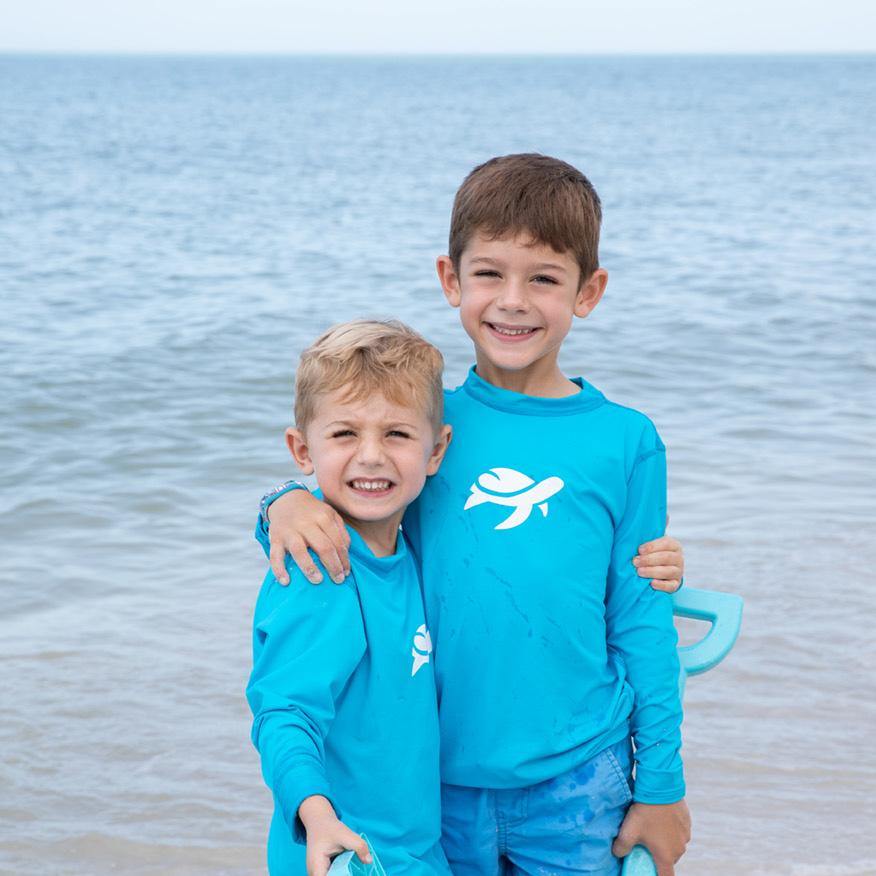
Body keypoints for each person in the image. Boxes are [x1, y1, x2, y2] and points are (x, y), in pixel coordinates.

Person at [258, 154, 690, 876]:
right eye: (489, 274)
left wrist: (663, 786)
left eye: (544, 279)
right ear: (450, 280)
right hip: (439, 789)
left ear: (589, 291)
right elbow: (347, 507)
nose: (513, 301)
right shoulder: (420, 428)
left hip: (581, 777)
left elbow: (641, 620)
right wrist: (282, 503)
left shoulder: (627, 440)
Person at [246, 320, 453, 875]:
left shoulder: (411, 547)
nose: (370, 456)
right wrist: (316, 817)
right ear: (301, 448)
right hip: (348, 857)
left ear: (436, 451)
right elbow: (284, 713)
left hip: (415, 851)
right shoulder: (321, 571)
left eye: (397, 434)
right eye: (343, 435)